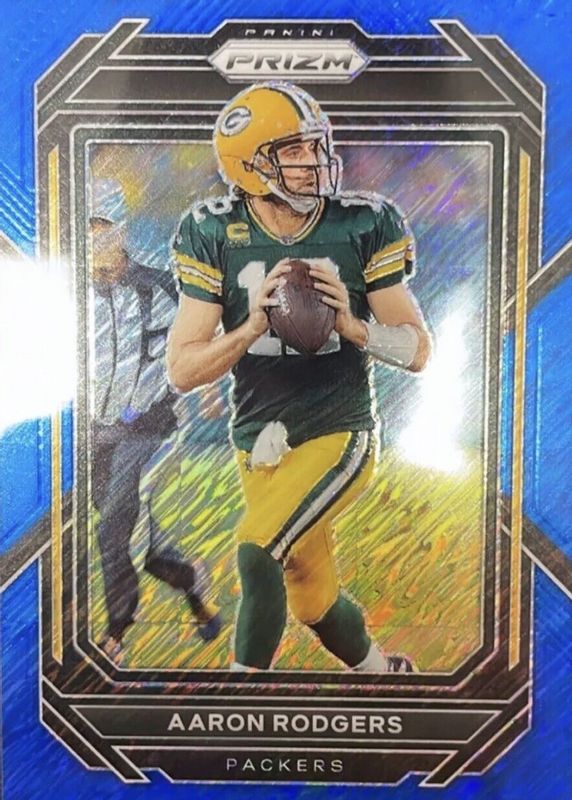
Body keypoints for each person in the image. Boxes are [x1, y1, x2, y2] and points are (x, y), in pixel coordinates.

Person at [167, 83, 431, 673]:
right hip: (255, 439)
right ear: (249, 163)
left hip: (337, 429)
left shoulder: (363, 222)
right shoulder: (212, 230)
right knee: (312, 596)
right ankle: (384, 675)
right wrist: (249, 327)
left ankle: (242, 702)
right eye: (293, 151)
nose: (313, 162)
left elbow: (417, 351)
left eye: (315, 147)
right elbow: (183, 369)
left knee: (257, 548)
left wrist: (354, 326)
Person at [89, 178, 221, 665]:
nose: (94, 242)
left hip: (151, 426)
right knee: (135, 534)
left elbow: (202, 336)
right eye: (86, 231)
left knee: (113, 529)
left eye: (102, 229)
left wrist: (209, 386)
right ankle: (189, 579)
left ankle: (116, 633)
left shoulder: (159, 285)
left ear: (121, 231)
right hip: (96, 430)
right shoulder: (74, 293)